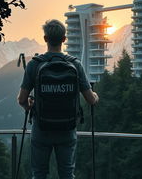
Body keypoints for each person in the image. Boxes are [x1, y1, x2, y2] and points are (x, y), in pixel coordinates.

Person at [17, 19, 99, 179]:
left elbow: (21, 99)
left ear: (45, 39)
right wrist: (95, 95)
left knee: (39, 174)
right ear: (64, 39)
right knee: (67, 174)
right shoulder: (75, 65)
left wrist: (30, 107)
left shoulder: (35, 65)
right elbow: (91, 100)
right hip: (67, 129)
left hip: (41, 129)